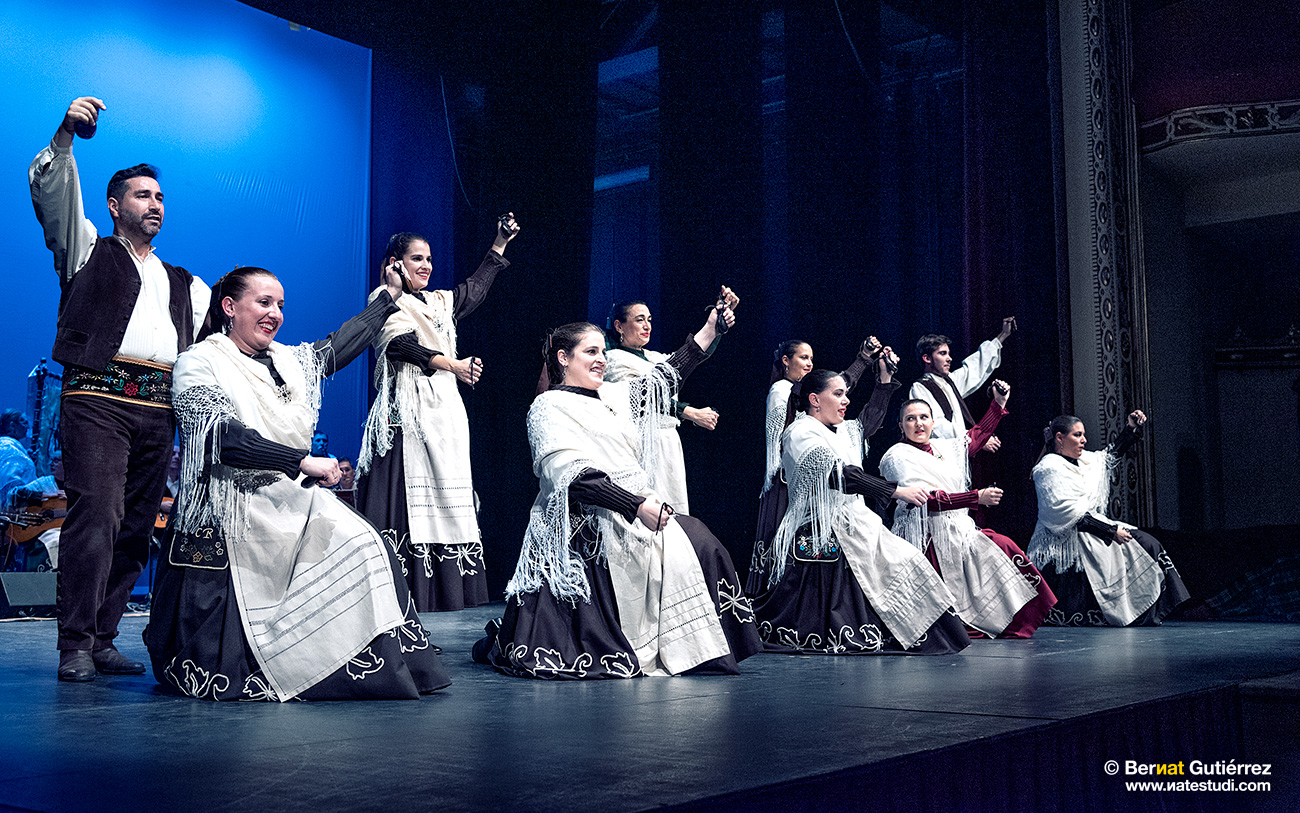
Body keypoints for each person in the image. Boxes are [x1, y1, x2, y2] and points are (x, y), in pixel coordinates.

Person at [144, 266, 450, 701]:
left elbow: (336, 348)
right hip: (233, 503)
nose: (275, 314)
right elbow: (220, 438)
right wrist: (300, 461)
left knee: (366, 540)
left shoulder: (288, 361)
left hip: (289, 496)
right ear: (230, 307)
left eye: (281, 305)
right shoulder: (199, 362)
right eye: (264, 303)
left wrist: (387, 298)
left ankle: (361, 663)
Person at [474, 301, 763, 679]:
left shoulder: (611, 396)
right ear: (563, 358)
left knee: (702, 542)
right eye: (590, 352)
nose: (601, 360)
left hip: (636, 509)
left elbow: (662, 382)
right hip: (586, 521)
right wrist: (635, 505)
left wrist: (711, 330)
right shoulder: (548, 406)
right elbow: (571, 475)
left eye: (602, 352)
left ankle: (700, 649)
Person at [29, 96, 211, 682]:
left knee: (138, 525)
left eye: (159, 197)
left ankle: (104, 637)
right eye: (142, 195)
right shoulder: (86, 251)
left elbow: (223, 331)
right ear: (114, 205)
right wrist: (65, 136)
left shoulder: (183, 282)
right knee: (98, 516)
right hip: (97, 403)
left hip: (158, 408)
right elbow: (54, 196)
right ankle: (74, 644)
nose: (154, 204)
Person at [357, 216, 519, 612]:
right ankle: (406, 594)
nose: (426, 266)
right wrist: (454, 365)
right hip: (407, 415)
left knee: (451, 491)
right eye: (416, 259)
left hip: (444, 412)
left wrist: (499, 242)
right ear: (395, 264)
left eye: (429, 258)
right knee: (407, 497)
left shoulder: (437, 303)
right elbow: (401, 346)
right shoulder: (386, 299)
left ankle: (448, 594)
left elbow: (473, 290)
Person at [749, 368, 970, 655]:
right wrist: (895, 490)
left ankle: (924, 633)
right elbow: (839, 475)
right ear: (815, 400)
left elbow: (868, 423)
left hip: (855, 519)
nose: (846, 401)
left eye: (845, 395)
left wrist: (885, 384)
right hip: (822, 523)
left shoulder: (841, 430)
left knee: (906, 559)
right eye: (838, 394)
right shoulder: (800, 432)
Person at [879, 393, 1056, 638]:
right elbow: (925, 501)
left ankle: (1011, 619)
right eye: (910, 419)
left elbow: (975, 437)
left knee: (1003, 547)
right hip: (924, 535)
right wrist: (975, 498)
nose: (918, 424)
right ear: (901, 425)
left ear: (932, 422)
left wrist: (998, 405)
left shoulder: (942, 447)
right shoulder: (896, 456)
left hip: (957, 528)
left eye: (924, 417)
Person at [746, 337, 889, 594]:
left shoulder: (812, 402)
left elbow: (837, 389)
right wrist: (863, 360)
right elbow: (783, 438)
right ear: (785, 361)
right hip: (791, 478)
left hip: (815, 475)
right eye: (803, 357)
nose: (809, 363)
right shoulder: (783, 390)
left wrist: (865, 359)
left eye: (811, 358)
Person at [1029, 411, 1190, 626]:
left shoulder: (1085, 460)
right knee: (1137, 547)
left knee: (1149, 545)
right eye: (1077, 435)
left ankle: (1157, 611)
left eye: (1083, 434)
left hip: (1093, 527)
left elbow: (1109, 457)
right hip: (1066, 536)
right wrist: (1110, 532)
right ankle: (1135, 615)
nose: (1084, 440)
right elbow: (1065, 512)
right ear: (1059, 438)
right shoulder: (1048, 468)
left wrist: (1130, 428)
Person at [602, 292, 738, 513]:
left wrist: (716, 329)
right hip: (644, 443)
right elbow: (648, 396)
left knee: (673, 509)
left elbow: (688, 361)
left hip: (668, 443)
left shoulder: (654, 357)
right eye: (639, 320)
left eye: (649, 319)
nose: (647, 325)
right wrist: (688, 411)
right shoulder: (615, 361)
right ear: (619, 326)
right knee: (652, 508)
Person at [909, 317, 1015, 447]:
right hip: (941, 454)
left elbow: (975, 367)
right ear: (927, 358)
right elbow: (937, 426)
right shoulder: (920, 388)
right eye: (943, 354)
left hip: (959, 453)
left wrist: (1003, 335)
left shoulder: (949, 382)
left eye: (949, 354)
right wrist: (974, 439)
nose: (949, 359)